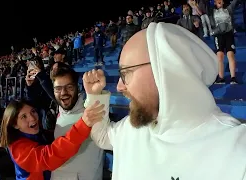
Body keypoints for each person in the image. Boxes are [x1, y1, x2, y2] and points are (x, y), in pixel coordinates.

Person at [84, 22, 246, 180]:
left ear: (165, 69)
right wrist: (95, 97)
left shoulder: (236, 150)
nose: (119, 86)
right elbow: (102, 136)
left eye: (125, 73)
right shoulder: (132, 128)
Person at [0, 100, 105, 180]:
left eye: (33, 111)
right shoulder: (18, 149)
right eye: (24, 117)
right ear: (15, 125)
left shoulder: (41, 134)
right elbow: (50, 156)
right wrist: (83, 125)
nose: (32, 118)